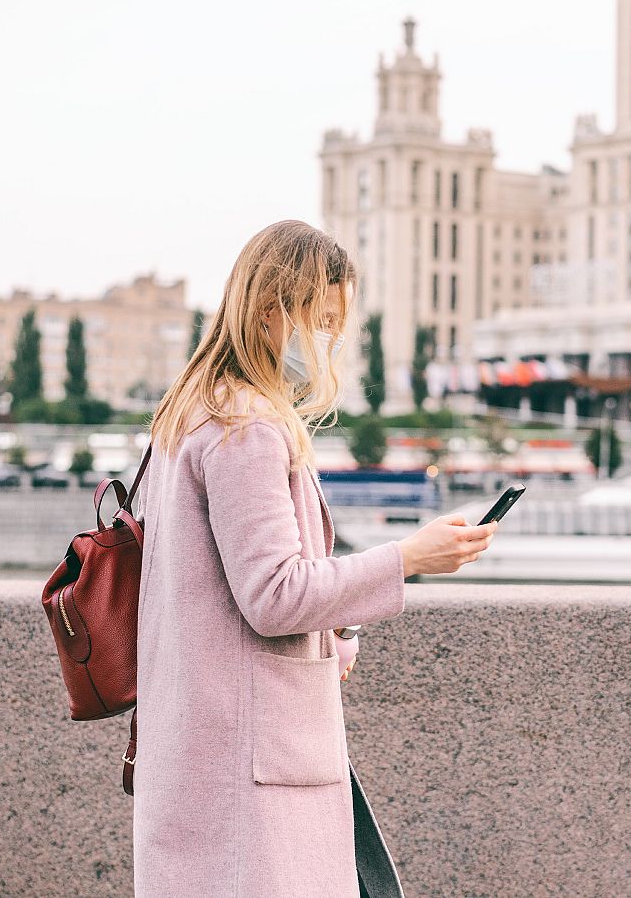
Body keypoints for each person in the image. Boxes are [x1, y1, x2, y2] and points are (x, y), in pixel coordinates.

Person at [133, 220, 496, 896]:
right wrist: (410, 557)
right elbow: (273, 594)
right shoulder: (249, 428)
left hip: (200, 747)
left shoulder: (191, 416)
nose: (330, 339)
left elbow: (220, 594)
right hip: (251, 769)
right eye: (321, 319)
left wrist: (340, 636)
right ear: (272, 312)